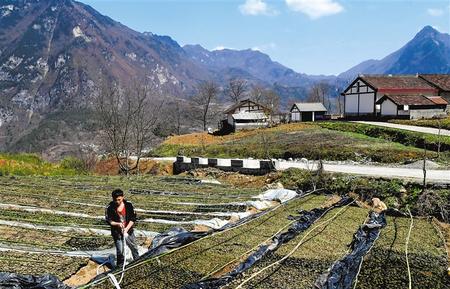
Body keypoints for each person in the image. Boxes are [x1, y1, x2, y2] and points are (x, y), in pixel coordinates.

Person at [105, 189, 140, 268]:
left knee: (133, 247)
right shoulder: (110, 207)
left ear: (123, 197)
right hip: (117, 232)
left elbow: (133, 219)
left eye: (119, 199)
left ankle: (137, 261)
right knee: (120, 250)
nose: (117, 201)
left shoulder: (129, 205)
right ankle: (120, 267)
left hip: (129, 231)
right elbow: (109, 221)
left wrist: (126, 229)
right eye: (115, 200)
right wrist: (118, 224)